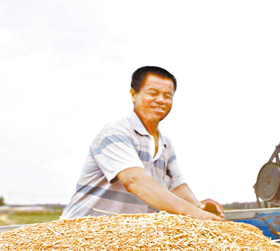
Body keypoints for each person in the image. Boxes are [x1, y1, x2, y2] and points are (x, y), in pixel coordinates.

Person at [62, 66, 224, 221]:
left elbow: (177, 186)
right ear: (134, 94)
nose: (160, 100)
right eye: (153, 93)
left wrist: (199, 206)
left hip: (125, 237)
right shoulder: (116, 132)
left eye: (167, 95)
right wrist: (192, 213)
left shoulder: (166, 145)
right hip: (85, 232)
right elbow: (133, 180)